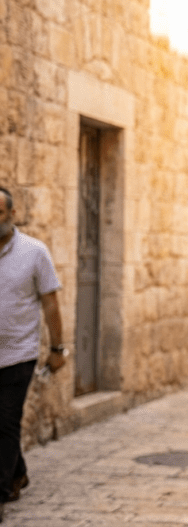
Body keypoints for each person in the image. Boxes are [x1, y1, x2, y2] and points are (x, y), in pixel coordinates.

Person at [0, 187, 66, 520]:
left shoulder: (34, 252)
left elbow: (50, 302)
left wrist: (57, 348)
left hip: (18, 354)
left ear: (12, 214)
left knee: (7, 421)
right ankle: (16, 473)